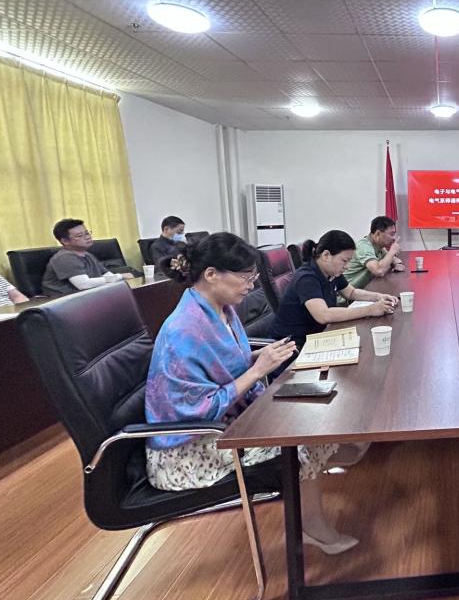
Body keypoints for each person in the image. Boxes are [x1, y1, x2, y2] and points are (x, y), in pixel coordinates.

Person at [145, 233, 357, 554]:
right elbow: (198, 408)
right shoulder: (184, 330)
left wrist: (260, 356)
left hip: (228, 422)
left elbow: (226, 363)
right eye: (245, 278)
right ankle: (312, 529)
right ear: (212, 274)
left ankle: (319, 488)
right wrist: (258, 370)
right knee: (303, 442)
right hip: (190, 450)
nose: (251, 285)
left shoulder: (219, 308)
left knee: (313, 418)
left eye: (253, 276)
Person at [271, 230, 397, 349]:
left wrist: (378, 297)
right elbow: (323, 315)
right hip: (294, 346)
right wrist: (370, 310)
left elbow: (351, 292)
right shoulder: (306, 278)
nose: (347, 267)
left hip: (319, 335)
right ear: (326, 255)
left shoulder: (331, 272)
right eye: (344, 261)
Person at [42, 219, 132, 297]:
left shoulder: (87, 255)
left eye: (87, 233)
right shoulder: (64, 258)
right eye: (80, 235)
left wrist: (120, 278)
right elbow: (84, 284)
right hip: (62, 301)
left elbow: (107, 275)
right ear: (65, 241)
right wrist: (120, 276)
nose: (88, 237)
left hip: (86, 296)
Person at [343, 215, 405, 289]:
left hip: (364, 290)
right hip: (349, 294)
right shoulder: (364, 247)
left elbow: (393, 259)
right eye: (391, 234)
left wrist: (398, 264)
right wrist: (392, 251)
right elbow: (379, 271)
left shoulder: (378, 246)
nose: (394, 238)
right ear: (378, 233)